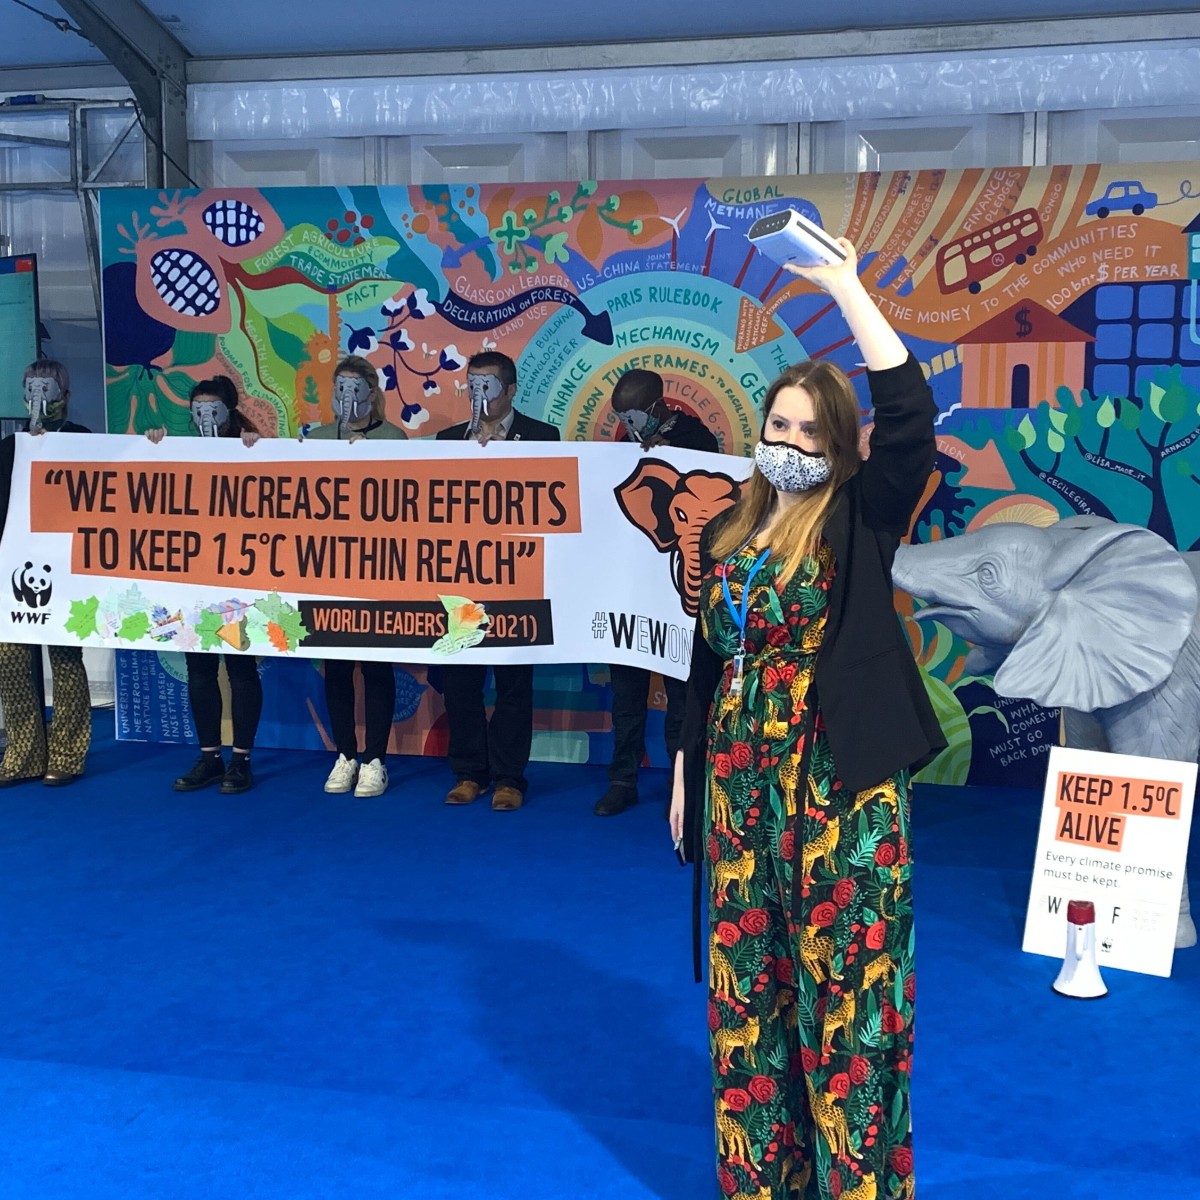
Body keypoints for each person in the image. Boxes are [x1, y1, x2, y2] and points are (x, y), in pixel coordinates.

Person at [669, 240, 945, 1200]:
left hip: (840, 785)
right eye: (776, 423)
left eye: (807, 431)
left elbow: (910, 419)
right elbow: (704, 657)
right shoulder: (726, 526)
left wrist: (845, 289)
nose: (786, 441)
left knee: (848, 999)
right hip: (739, 787)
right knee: (753, 991)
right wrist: (683, 765)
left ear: (836, 446)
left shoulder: (860, 515)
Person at [435, 351, 559, 811]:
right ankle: (469, 772)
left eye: (487, 386)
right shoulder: (447, 441)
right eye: (472, 385)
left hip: (517, 580)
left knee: (512, 684)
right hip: (460, 580)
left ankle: (509, 777)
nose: (479, 394)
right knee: (460, 683)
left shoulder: (543, 438)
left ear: (510, 390)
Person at [597, 368, 721, 817]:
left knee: (682, 699)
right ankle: (621, 779)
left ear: (658, 405)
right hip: (630, 592)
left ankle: (682, 785)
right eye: (622, 416)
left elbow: (715, 494)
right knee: (626, 694)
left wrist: (673, 457)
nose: (630, 424)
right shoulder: (621, 449)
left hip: (676, 596)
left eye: (635, 414)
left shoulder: (697, 439)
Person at [147, 376, 263, 795]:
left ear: (228, 412)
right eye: (196, 411)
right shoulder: (180, 449)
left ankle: (242, 761)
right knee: (200, 668)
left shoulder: (253, 448)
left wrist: (257, 450)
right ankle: (210, 756)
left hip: (241, 576)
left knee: (241, 666)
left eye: (211, 410)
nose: (203, 418)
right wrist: (156, 446)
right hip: (194, 576)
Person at [304, 356, 405, 798]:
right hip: (329, 569)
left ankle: (376, 759)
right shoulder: (317, 438)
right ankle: (345, 753)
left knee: (377, 667)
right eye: (339, 387)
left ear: (371, 392)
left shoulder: (395, 438)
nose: (347, 397)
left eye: (355, 388)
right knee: (338, 667)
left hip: (379, 569)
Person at [0, 359, 92, 786]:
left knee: (66, 660)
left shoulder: (82, 442)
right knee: (12, 663)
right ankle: (22, 755)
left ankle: (67, 754)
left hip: (66, 572)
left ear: (64, 395)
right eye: (31, 387)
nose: (39, 396)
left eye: (47, 388)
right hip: (13, 573)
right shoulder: (8, 447)